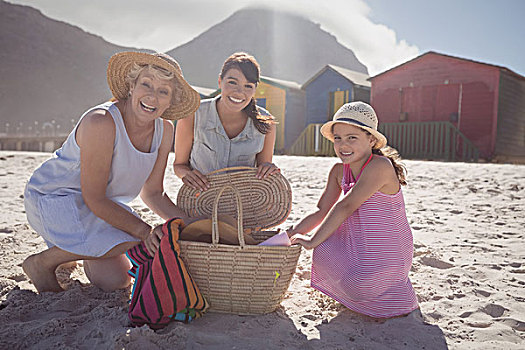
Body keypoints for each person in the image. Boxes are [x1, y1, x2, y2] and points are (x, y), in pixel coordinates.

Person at [22, 52, 201, 293]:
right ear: (131, 86)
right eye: (146, 84)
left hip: (102, 205)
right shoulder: (102, 122)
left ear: (170, 101)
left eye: (163, 91)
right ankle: (41, 263)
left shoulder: (165, 130)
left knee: (116, 281)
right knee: (138, 240)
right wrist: (144, 232)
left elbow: (154, 193)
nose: (152, 96)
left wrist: (187, 224)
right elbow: (94, 198)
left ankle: (69, 251)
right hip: (55, 198)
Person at [289, 101, 419, 318]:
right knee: (324, 253)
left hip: (387, 249)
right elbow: (322, 211)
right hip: (360, 242)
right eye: (337, 138)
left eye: (352, 138)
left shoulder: (380, 166)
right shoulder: (339, 171)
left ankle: (384, 290)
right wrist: (291, 234)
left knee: (349, 277)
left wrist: (312, 241)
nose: (343, 145)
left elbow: (345, 206)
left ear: (371, 139)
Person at [173, 52, 279, 191]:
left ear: (255, 90)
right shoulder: (192, 115)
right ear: (219, 81)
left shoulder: (266, 124)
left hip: (243, 204)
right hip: (200, 201)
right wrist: (187, 174)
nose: (239, 92)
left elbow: (262, 171)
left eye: (248, 86)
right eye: (232, 83)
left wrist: (268, 169)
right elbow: (179, 165)